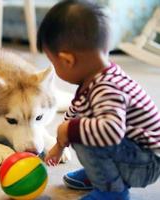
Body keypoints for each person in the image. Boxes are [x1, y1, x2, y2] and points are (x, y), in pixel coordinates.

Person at [37, 0, 160, 199]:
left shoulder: (107, 88)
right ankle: (102, 174)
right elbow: (74, 112)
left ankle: (112, 191)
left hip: (145, 163)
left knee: (81, 134)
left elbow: (110, 131)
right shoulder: (94, 78)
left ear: (68, 60)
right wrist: (59, 145)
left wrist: (69, 131)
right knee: (78, 127)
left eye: (54, 62)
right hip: (134, 152)